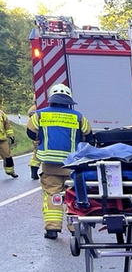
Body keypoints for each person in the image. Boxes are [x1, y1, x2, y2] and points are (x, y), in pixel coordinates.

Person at [27, 84, 92, 239]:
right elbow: (88, 136)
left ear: (51, 99)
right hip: (72, 165)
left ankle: (52, 229)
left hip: (50, 165)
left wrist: (41, 138)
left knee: (52, 193)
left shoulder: (39, 115)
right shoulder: (78, 117)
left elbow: (30, 132)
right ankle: (75, 227)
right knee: (73, 194)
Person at [0, 108, 18, 178]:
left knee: (7, 157)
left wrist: (11, 135)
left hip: (2, 140)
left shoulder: (1, 114)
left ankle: (10, 171)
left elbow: (7, 126)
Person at [27, 105, 40, 179]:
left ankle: (34, 171)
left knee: (37, 152)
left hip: (36, 132)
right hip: (40, 133)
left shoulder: (34, 108)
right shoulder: (35, 108)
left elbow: (30, 113)